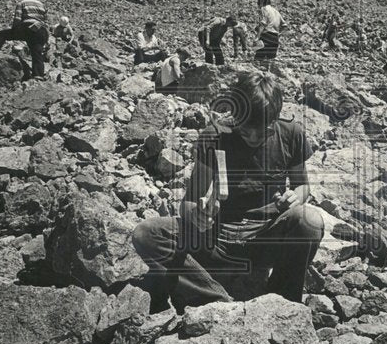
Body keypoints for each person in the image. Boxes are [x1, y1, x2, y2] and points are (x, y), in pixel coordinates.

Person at [132, 71, 325, 311]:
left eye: (263, 131)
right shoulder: (214, 136)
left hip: (265, 239)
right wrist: (198, 214)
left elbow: (303, 186)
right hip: (216, 240)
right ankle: (218, 301)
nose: (253, 138)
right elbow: (189, 202)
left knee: (310, 221)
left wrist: (296, 197)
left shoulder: (291, 134)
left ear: (275, 119)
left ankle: (282, 304)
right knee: (146, 233)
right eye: (245, 130)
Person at [0, 0, 50, 79]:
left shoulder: (22, 3)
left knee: (2, 34)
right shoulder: (42, 5)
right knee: (36, 52)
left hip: (26, 29)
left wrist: (14, 31)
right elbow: (45, 20)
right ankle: (38, 74)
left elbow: (17, 20)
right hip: (41, 31)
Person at [253, 0, 283, 65]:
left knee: (258, 60)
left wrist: (257, 37)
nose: (259, 7)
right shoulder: (276, 11)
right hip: (275, 38)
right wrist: (278, 34)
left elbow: (262, 24)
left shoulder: (264, 9)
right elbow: (284, 26)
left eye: (259, 5)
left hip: (266, 36)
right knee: (270, 62)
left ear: (261, 3)